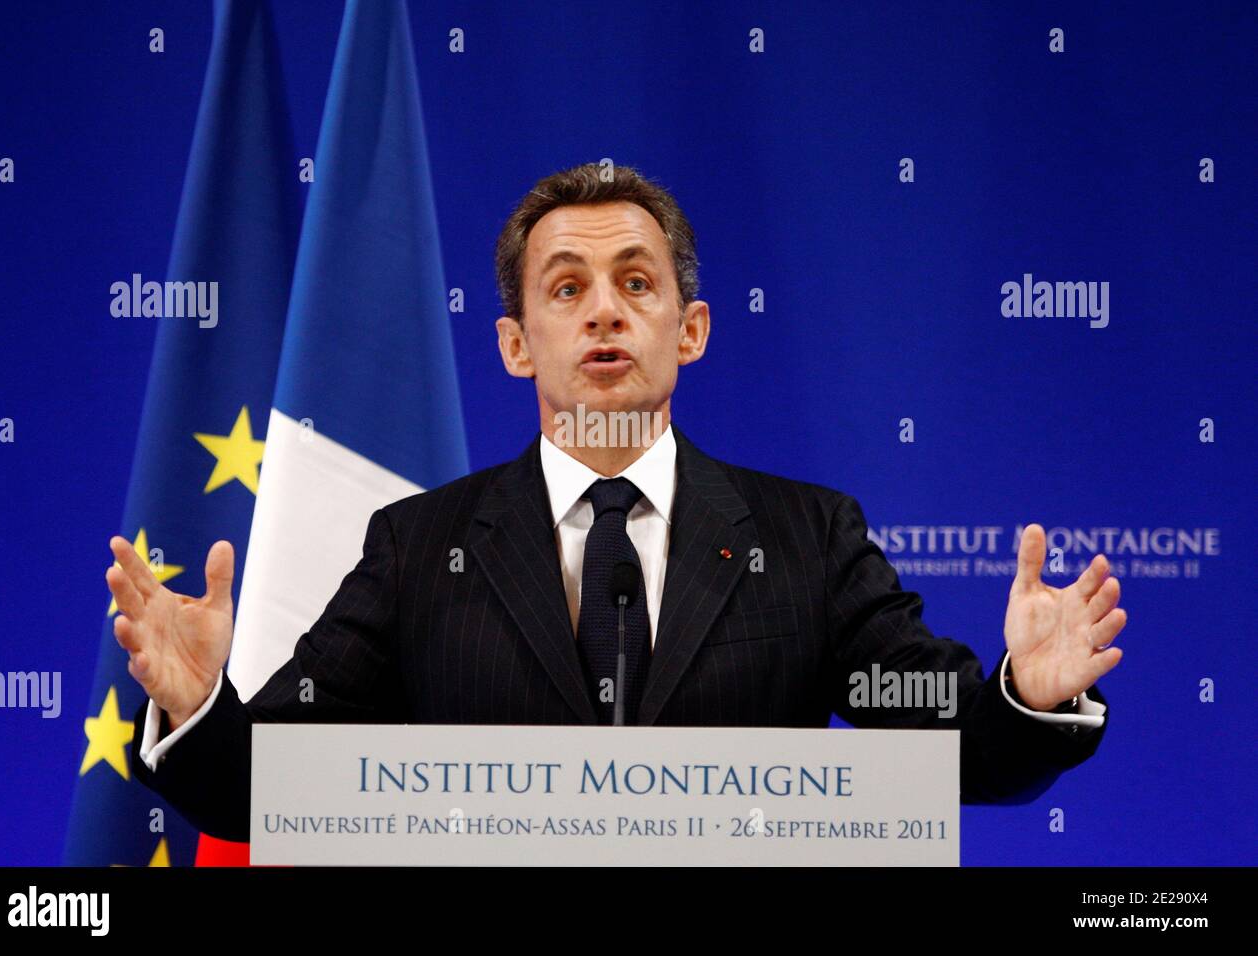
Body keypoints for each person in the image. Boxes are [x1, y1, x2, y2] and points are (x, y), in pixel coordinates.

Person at [107, 164, 1123, 842]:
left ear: (690, 330)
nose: (603, 308)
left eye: (637, 282)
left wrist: (1022, 695)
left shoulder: (808, 538)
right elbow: (270, 783)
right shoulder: (417, 546)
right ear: (514, 344)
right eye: (565, 288)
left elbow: (934, 735)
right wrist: (197, 708)